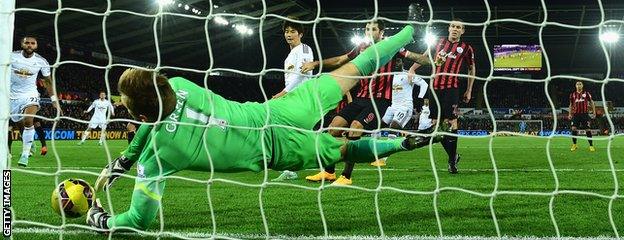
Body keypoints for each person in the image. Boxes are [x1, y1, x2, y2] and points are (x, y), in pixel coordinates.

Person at [86, 17, 432, 231]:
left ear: (143, 116)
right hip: (280, 112)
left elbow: (138, 220)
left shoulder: (159, 157)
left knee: (341, 150)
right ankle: (405, 34)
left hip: (276, 150)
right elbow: (157, 114)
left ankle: (399, 144)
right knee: (354, 70)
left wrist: (102, 218)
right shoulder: (177, 83)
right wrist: (126, 158)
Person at [303, 17, 427, 185]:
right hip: (361, 98)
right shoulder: (362, 47)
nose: (369, 32)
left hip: (379, 101)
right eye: (367, 29)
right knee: (333, 128)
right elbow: (340, 60)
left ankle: (346, 176)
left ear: (381, 32)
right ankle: (329, 172)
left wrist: (415, 55)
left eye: (373, 29)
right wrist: (316, 63)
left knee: (355, 128)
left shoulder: (391, 47)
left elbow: (423, 60)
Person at [409, 18, 476, 174]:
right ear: (448, 28)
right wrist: (412, 69)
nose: (455, 29)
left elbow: (472, 69)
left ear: (462, 30)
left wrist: (469, 90)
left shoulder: (466, 48)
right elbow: (424, 57)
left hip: (452, 89)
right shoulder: (438, 42)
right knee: (435, 126)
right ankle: (454, 156)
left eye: (458, 27)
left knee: (452, 122)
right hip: (435, 88)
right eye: (452, 26)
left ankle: (452, 161)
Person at [9, 36, 60, 167]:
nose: (29, 45)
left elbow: (48, 81)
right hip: (11, 96)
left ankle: (25, 154)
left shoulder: (41, 61)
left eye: (33, 43)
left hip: (30, 94)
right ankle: (30, 144)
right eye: (27, 43)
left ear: (36, 46)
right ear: (22, 44)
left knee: (28, 120)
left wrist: (54, 100)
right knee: (19, 124)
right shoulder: (11, 56)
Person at [370, 58, 428, 167]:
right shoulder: (389, 76)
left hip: (405, 106)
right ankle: (373, 153)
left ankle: (383, 158)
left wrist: (419, 98)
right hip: (392, 106)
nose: (396, 63)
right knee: (376, 127)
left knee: (394, 126)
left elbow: (424, 84)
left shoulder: (408, 74)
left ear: (402, 63)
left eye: (398, 61)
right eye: (394, 61)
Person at [272, 16, 314, 99]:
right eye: (287, 32)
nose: (289, 35)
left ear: (300, 34)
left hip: (302, 95)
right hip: (292, 96)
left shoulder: (304, 48)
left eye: (292, 31)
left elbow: (303, 73)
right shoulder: (289, 56)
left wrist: (283, 93)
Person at [568, 81, 595, 152]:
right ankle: (574, 144)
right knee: (573, 129)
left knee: (588, 130)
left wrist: (594, 112)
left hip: (585, 114)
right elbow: (570, 104)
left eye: (580, 84)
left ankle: (591, 145)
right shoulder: (572, 94)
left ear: (582, 86)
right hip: (576, 114)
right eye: (577, 84)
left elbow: (592, 102)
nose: (579, 85)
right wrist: (569, 114)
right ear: (575, 86)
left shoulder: (586, 94)